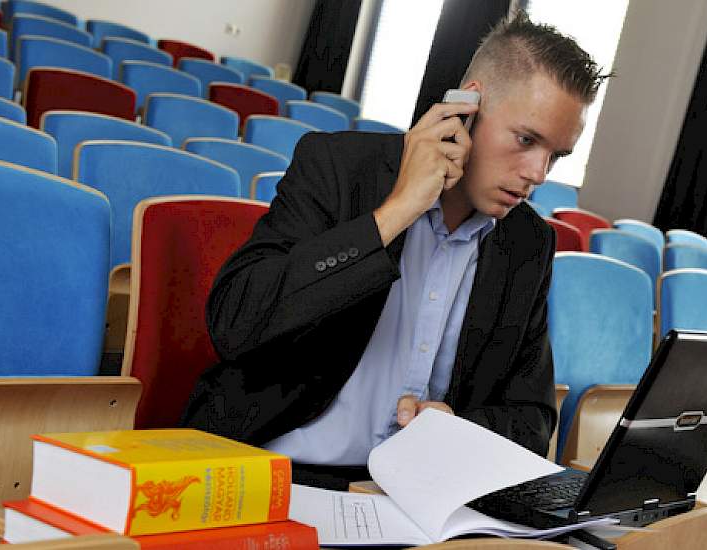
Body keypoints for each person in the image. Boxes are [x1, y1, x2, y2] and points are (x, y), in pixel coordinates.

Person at [181, 10, 608, 489]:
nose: (538, 173)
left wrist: (459, 427)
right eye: (526, 140)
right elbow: (237, 323)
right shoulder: (337, 166)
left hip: (407, 495)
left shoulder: (528, 242)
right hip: (270, 469)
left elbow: (532, 421)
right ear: (468, 105)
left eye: (556, 155)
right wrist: (397, 211)